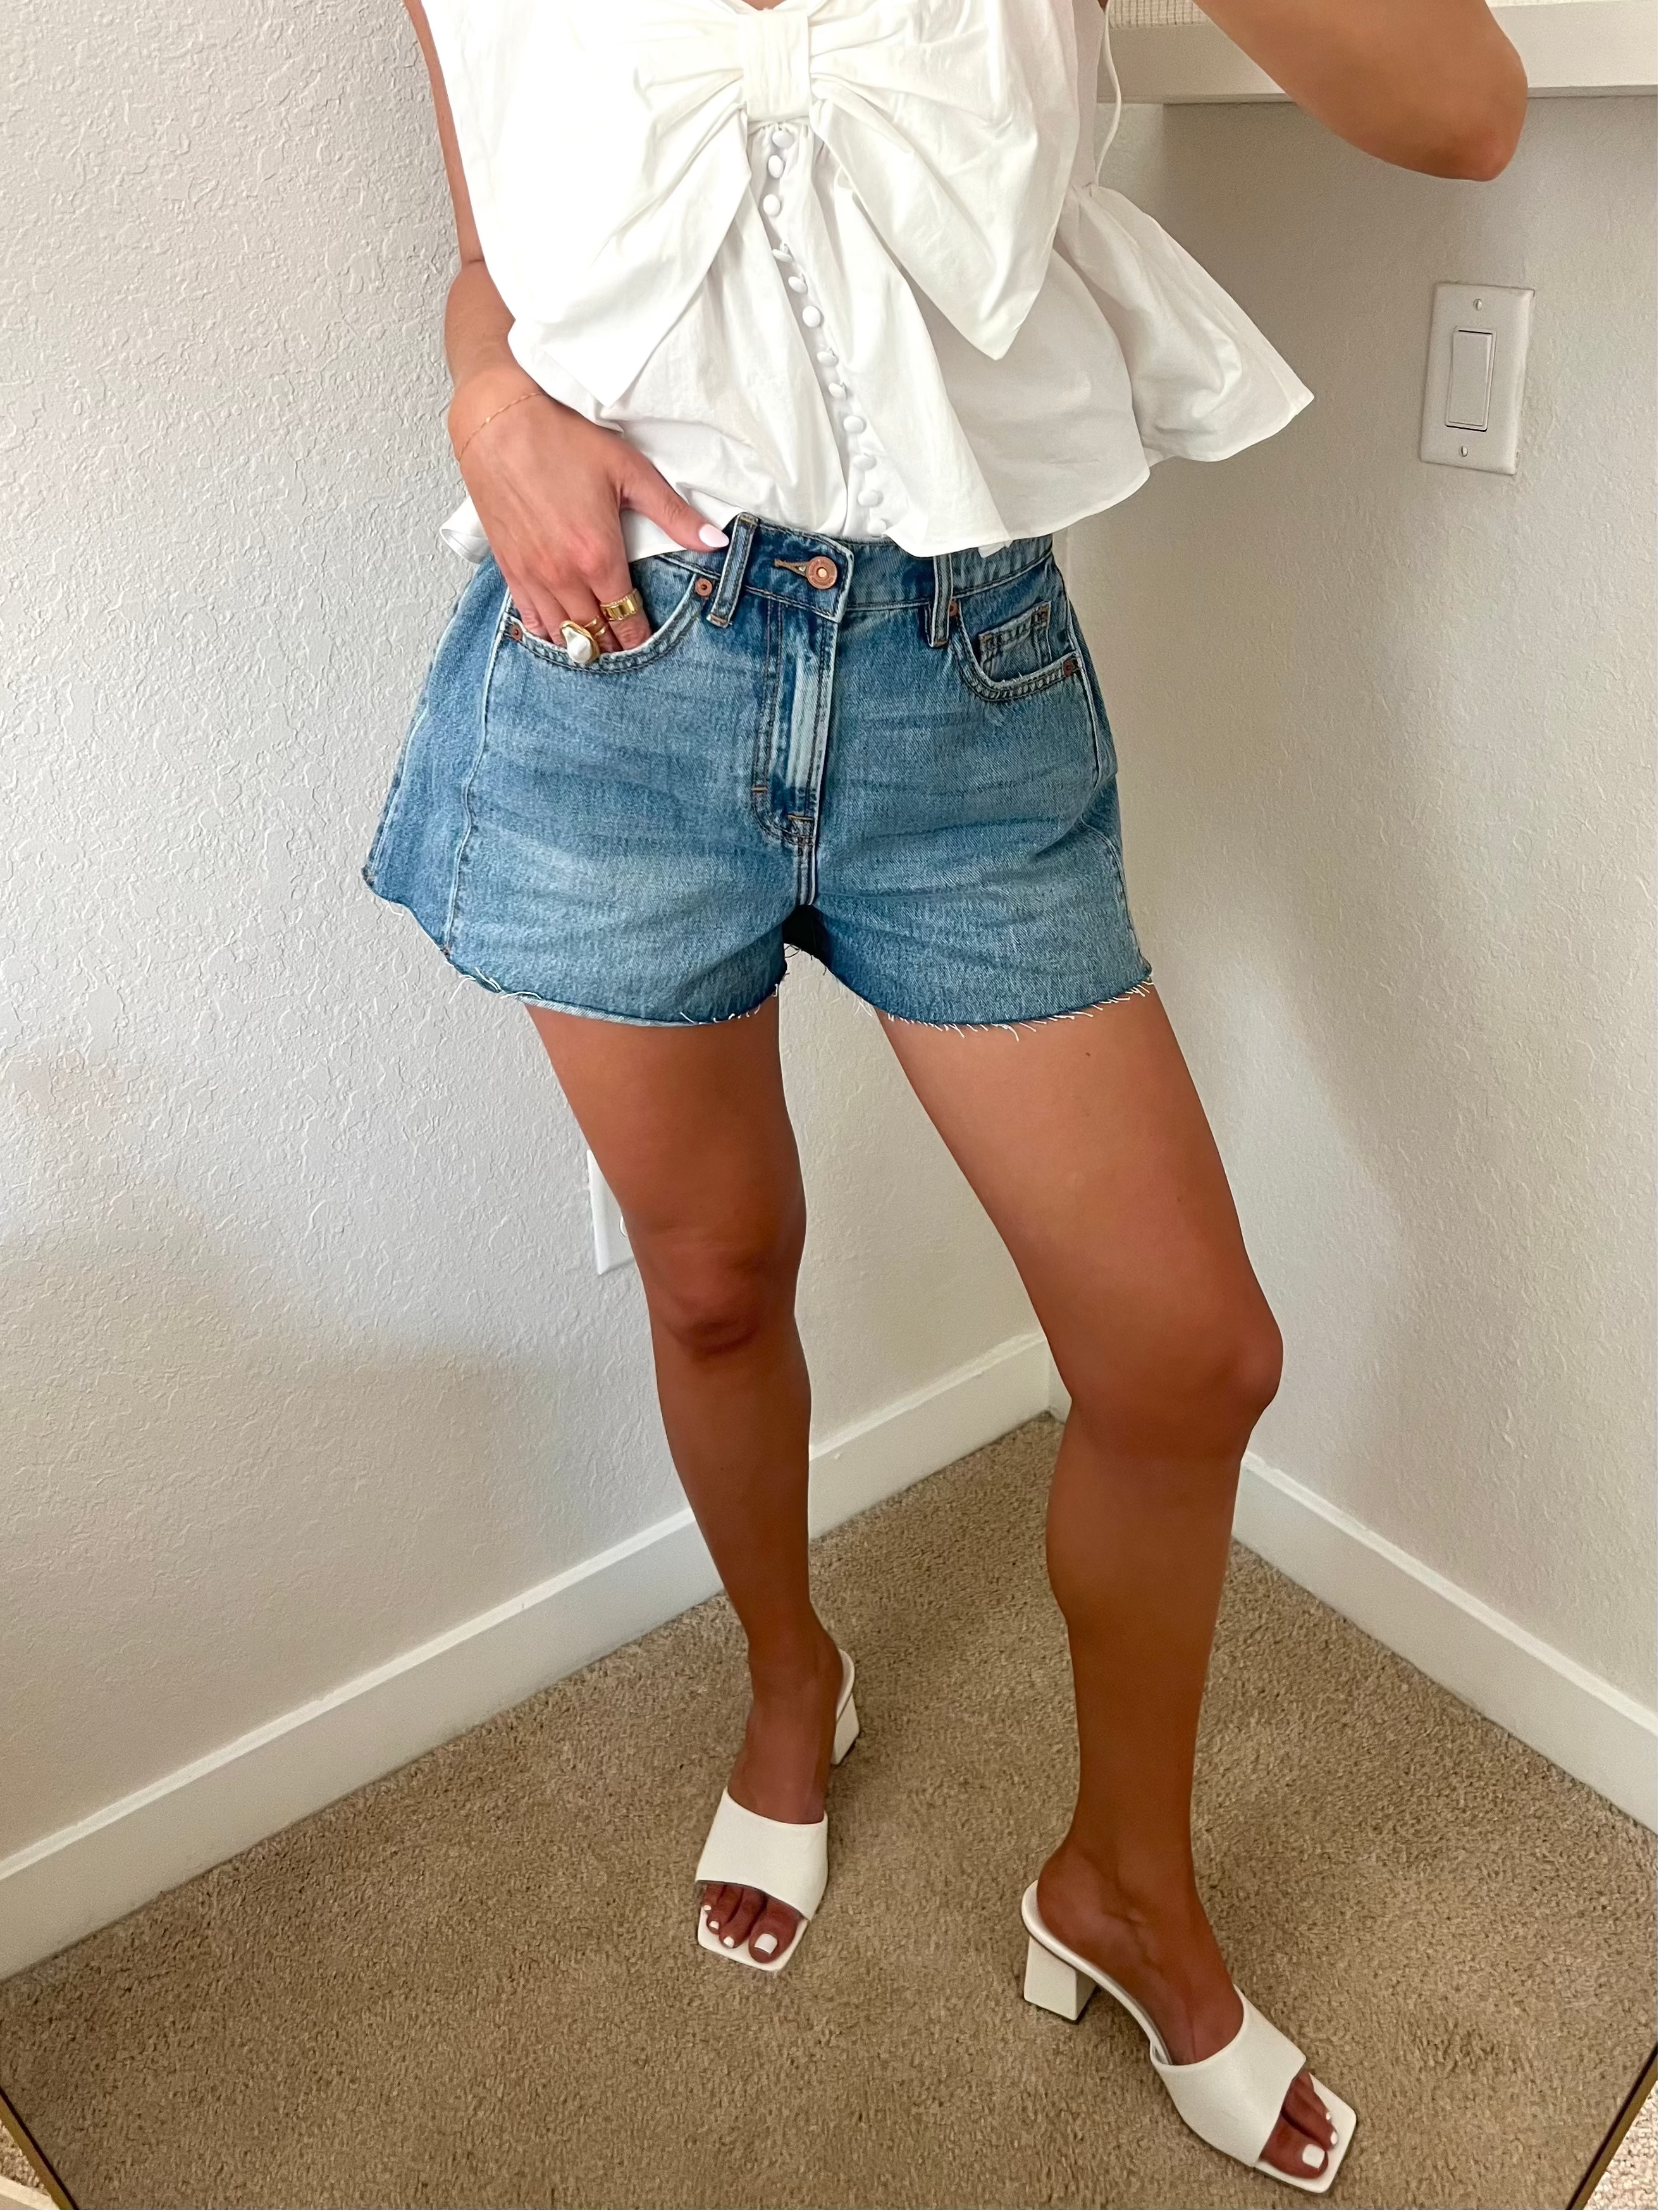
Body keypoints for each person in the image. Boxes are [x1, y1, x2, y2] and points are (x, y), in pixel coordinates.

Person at [364, 0, 1524, 2189]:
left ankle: (1121, 1885)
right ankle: (790, 1689)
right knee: (714, 1279)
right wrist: (480, 385)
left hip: (956, 679)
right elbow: (494, 239)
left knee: (1186, 1355)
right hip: (616, 654)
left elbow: (1455, 109)